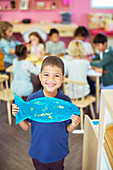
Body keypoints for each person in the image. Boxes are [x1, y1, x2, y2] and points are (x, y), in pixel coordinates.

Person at [12, 56, 80, 170]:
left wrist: (74, 124)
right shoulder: (32, 99)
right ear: (40, 76)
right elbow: (26, 127)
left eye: (56, 75)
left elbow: (67, 129)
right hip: (38, 151)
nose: (51, 79)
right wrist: (18, 115)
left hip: (58, 151)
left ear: (63, 78)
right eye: (46, 74)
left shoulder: (66, 101)